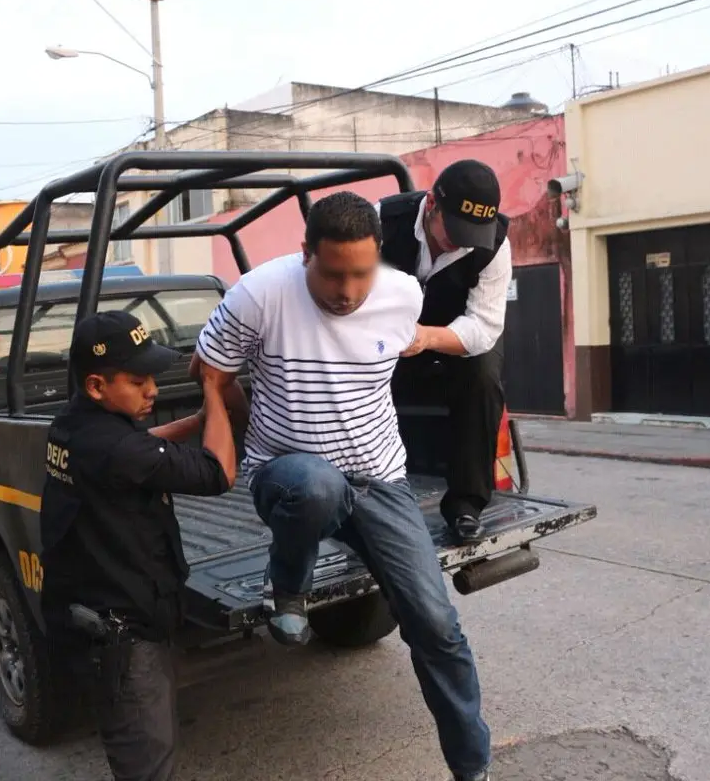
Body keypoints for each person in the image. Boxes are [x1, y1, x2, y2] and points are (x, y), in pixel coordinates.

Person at [191, 191, 492, 781]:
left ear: (379, 256)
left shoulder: (404, 293)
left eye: (360, 273)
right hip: (287, 475)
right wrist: (237, 425)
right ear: (305, 253)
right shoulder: (259, 294)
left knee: (437, 625)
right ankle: (289, 589)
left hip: (380, 477)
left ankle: (473, 767)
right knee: (317, 483)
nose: (347, 291)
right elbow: (210, 370)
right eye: (332, 273)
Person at [39, 309, 237, 781]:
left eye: (152, 376)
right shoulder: (117, 448)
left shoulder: (71, 425)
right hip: (125, 641)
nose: (152, 389)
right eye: (137, 380)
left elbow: (140, 448)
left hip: (103, 620)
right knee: (149, 766)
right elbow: (220, 473)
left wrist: (194, 419)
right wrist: (214, 392)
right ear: (95, 386)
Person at [376, 159, 512, 544]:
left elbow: (484, 327)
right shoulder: (380, 221)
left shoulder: (495, 245)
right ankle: (361, 494)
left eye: (473, 233)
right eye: (455, 230)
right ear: (432, 203)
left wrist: (426, 338)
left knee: (484, 374)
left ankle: (466, 505)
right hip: (382, 338)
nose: (463, 241)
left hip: (450, 340)